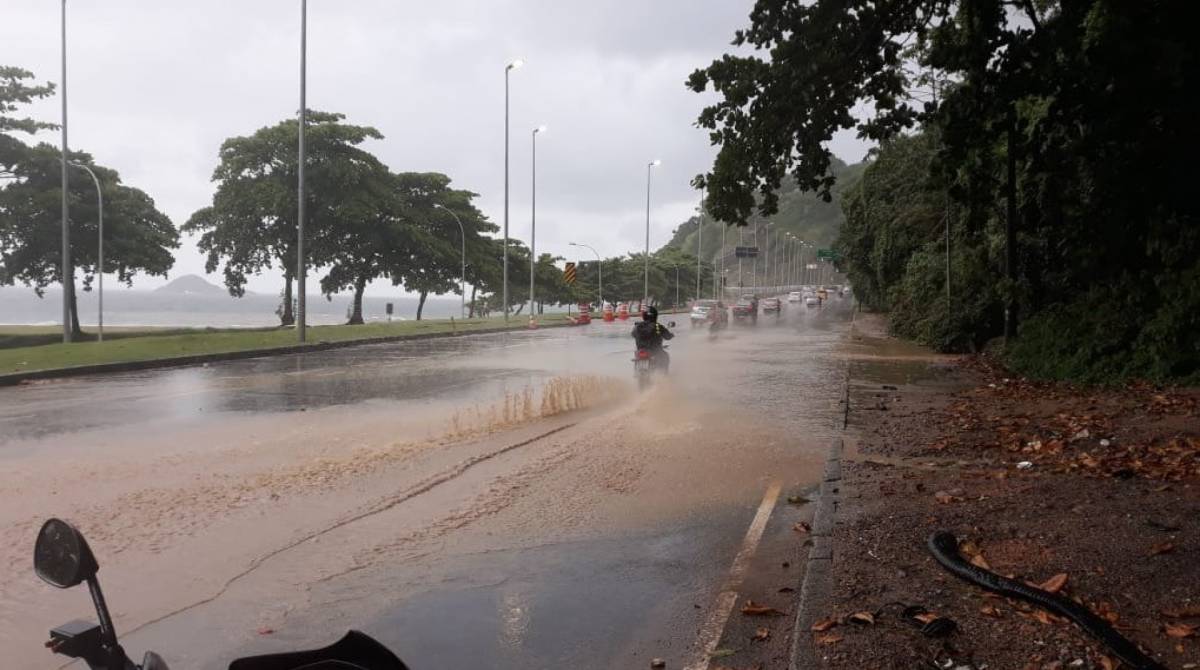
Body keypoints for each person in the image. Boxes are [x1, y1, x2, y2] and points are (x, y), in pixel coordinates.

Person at [631, 306, 674, 371]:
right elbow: (667, 336)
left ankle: (637, 373)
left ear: (644, 316)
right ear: (655, 316)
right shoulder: (658, 326)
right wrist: (671, 335)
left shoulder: (637, 326)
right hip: (655, 351)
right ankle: (664, 376)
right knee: (665, 356)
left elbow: (633, 334)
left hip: (640, 351)